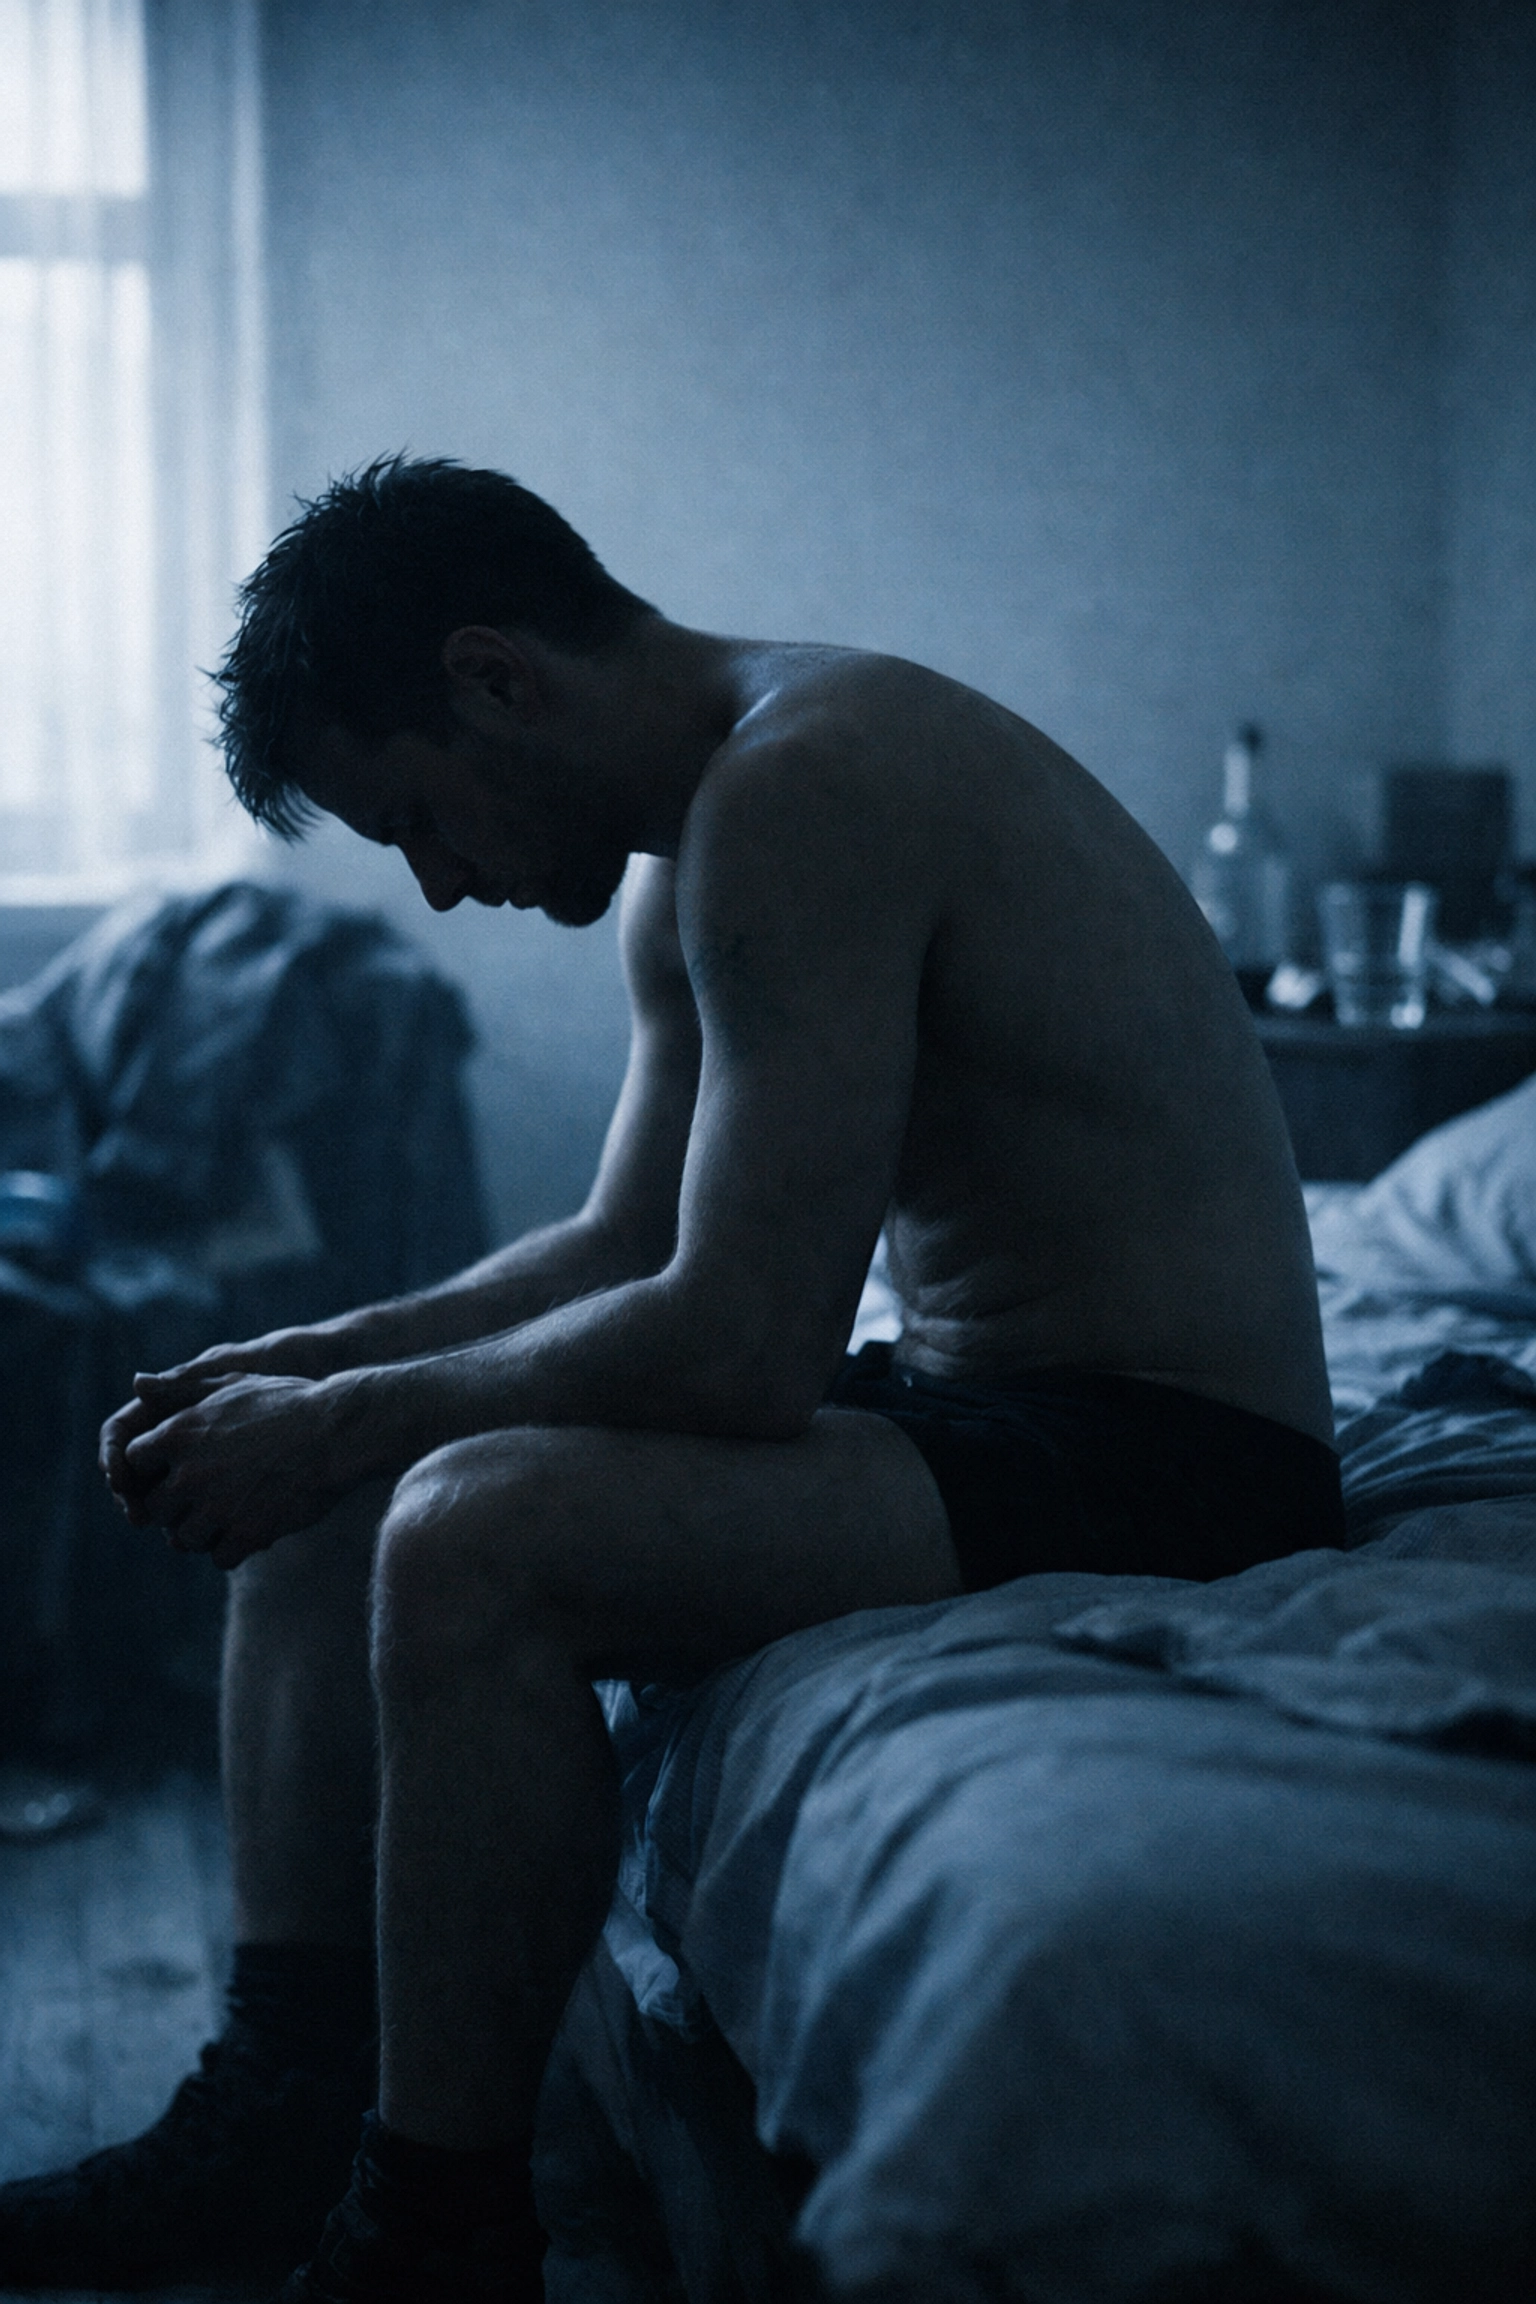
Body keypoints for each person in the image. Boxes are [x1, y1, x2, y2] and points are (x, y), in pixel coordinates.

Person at [0, 457, 1342, 2303]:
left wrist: (364, 1417)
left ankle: (434, 2235)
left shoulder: (812, 782)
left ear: (493, 679)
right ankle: (276, 2114)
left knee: (474, 1530)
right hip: (987, 1404)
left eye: (420, 820)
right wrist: (299, 1372)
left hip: (1179, 1455)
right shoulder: (700, 844)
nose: (445, 884)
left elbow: (738, 1341)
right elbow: (620, 1247)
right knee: (332, 1498)